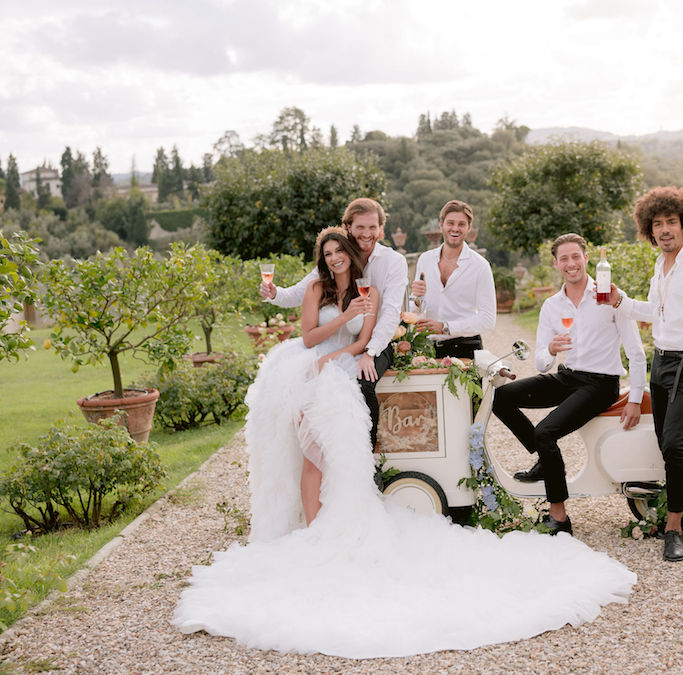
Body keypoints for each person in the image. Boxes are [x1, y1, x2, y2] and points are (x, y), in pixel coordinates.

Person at [172, 229, 637, 659]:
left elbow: (368, 341)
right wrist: (334, 330)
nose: (334, 260)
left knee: (341, 454)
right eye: (328, 254)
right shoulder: (316, 288)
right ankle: (311, 532)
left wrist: (347, 340)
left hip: (341, 370)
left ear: (351, 258)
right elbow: (307, 334)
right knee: (310, 455)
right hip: (310, 372)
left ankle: (336, 524)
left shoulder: (368, 292)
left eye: (340, 254)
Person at [600, 186, 683, 563]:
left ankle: (674, 528)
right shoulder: (660, 267)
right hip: (663, 361)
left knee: (673, 443)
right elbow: (656, 313)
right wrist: (622, 302)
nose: (664, 230)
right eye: (656, 224)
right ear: (649, 229)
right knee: (666, 440)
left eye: (670, 222)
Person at [492, 233, 647, 536]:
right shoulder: (552, 305)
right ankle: (543, 460)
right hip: (568, 376)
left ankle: (559, 516)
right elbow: (540, 362)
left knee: (546, 432)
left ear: (586, 258)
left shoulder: (610, 296)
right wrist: (550, 349)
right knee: (500, 398)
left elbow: (636, 352)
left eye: (576, 256)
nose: (571, 263)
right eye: (564, 258)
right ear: (556, 264)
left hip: (601, 383)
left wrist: (635, 398)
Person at [260, 198, 407, 449]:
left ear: (381, 228)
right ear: (348, 227)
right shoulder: (338, 254)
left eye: (373, 227)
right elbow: (299, 292)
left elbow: (392, 312)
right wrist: (274, 293)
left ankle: (371, 454)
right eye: (360, 227)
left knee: (365, 383)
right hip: (347, 342)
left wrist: (370, 352)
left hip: (379, 341)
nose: (367, 233)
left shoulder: (393, 261)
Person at [410, 200, 496, 359]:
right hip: (430, 349)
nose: (455, 228)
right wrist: (416, 298)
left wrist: (445, 327)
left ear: (469, 228)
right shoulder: (425, 260)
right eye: (450, 223)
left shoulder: (480, 266)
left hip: (467, 348)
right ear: (441, 224)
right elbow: (417, 308)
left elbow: (488, 319)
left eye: (461, 224)